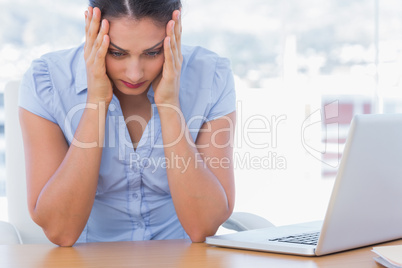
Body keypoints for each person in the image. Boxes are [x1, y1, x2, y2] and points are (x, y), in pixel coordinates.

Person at [19, 0, 236, 247]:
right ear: (92, 29)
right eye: (117, 53)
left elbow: (203, 227)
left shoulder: (211, 76)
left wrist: (169, 105)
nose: (135, 73)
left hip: (183, 257)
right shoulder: (47, 82)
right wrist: (97, 101)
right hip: (89, 259)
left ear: (174, 31)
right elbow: (61, 232)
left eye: (153, 52)